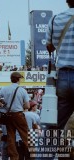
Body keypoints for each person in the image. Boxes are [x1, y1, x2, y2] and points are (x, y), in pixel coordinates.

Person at [46, 0, 74, 130]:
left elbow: (49, 47)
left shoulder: (55, 19)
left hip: (63, 76)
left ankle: (47, 150)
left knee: (56, 124)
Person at [0, 72, 30, 160]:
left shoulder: (5, 89)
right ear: (18, 79)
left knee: (11, 138)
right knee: (26, 136)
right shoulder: (22, 90)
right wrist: (20, 106)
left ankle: (14, 157)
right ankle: (32, 155)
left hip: (9, 116)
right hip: (19, 115)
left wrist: (1, 105)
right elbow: (27, 106)